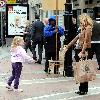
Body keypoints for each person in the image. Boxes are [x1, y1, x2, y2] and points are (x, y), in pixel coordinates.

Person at [74, 13, 93, 95]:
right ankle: (82, 88)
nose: (80, 22)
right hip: (82, 50)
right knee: (81, 70)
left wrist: (82, 51)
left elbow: (86, 42)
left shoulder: (88, 29)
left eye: (81, 20)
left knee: (84, 71)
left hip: (84, 51)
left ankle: (84, 89)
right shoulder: (83, 28)